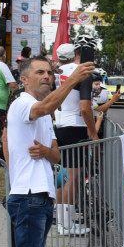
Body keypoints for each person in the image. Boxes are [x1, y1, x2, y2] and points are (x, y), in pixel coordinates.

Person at [3, 55, 95, 247]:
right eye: (39, 72)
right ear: (24, 79)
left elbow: (57, 155)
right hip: (28, 196)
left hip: (40, 195)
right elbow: (45, 105)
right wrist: (73, 80)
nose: (47, 76)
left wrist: (45, 151)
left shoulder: (45, 116)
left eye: (49, 72)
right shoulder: (23, 104)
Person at [53, 38, 101, 236]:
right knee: (73, 178)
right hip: (75, 126)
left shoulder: (57, 71)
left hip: (59, 124)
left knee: (62, 174)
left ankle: (60, 218)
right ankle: (67, 225)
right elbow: (85, 107)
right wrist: (93, 131)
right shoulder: (83, 72)